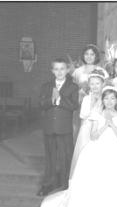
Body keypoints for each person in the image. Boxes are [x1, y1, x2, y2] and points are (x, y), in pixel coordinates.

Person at [32, 86, 117, 207]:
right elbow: (93, 136)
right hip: (97, 149)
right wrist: (104, 125)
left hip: (113, 150)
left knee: (109, 179)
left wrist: (112, 124)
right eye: (106, 98)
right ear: (103, 100)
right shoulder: (96, 114)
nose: (109, 101)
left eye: (112, 98)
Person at [38, 58, 79, 196]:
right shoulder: (46, 86)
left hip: (64, 127)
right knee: (51, 156)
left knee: (65, 155)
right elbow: (41, 104)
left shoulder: (73, 86)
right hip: (49, 126)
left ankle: (65, 184)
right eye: (56, 69)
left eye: (62, 69)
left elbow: (74, 106)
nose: (59, 72)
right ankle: (48, 184)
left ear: (67, 70)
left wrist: (59, 99)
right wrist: (51, 100)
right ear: (52, 71)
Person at [69, 69, 105, 180]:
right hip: (86, 129)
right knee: (85, 155)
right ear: (89, 85)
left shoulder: (106, 98)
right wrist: (93, 103)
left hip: (100, 129)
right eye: (92, 84)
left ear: (102, 84)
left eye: (97, 83)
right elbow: (83, 115)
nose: (94, 86)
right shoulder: (86, 98)